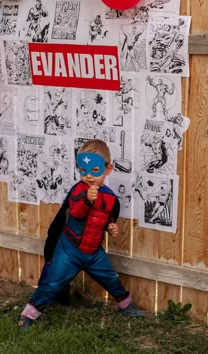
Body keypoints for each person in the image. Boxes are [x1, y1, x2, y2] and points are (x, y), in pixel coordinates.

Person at [18, 139, 145, 331]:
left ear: (107, 169)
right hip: (70, 249)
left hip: (93, 252)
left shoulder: (110, 197)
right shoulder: (78, 190)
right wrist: (87, 199)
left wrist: (111, 227)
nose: (88, 176)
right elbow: (76, 212)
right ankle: (29, 315)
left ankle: (125, 304)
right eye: (83, 171)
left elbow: (105, 218)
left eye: (94, 171)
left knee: (110, 277)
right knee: (52, 283)